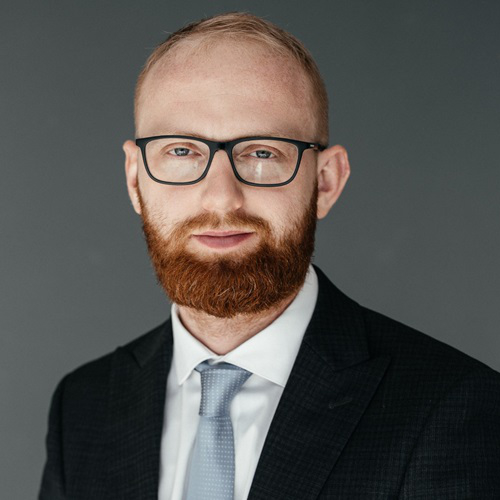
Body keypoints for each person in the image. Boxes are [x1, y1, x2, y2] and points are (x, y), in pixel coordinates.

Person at [39, 12, 500, 500]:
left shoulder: (453, 409)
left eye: (262, 153)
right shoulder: (84, 406)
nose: (221, 198)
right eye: (181, 152)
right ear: (135, 179)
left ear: (326, 182)